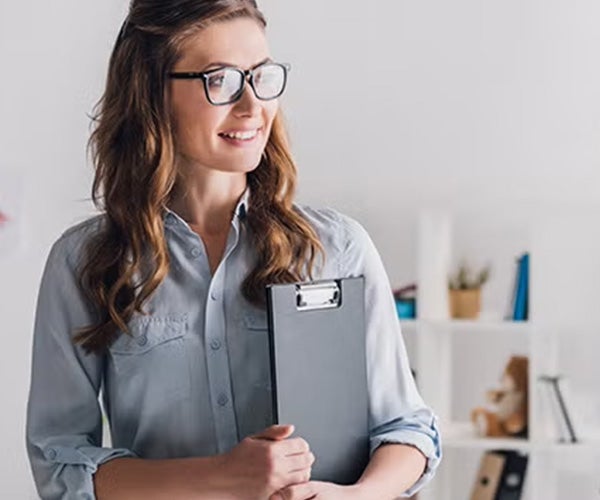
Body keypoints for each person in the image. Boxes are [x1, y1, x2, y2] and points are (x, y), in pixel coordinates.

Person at [26, 1, 441, 498]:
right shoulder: (84, 262)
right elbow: (60, 461)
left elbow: (408, 429)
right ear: (151, 92)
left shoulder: (338, 248)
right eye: (220, 80)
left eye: (261, 76)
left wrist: (356, 496)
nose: (252, 107)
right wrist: (221, 477)